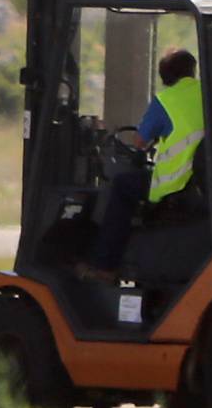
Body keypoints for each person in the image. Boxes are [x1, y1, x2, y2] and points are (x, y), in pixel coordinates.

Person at [86, 45, 205, 280]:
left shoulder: (166, 100)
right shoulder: (210, 93)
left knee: (121, 186)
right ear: (192, 71)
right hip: (203, 181)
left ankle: (105, 266)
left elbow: (140, 141)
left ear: (165, 76)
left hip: (176, 183)